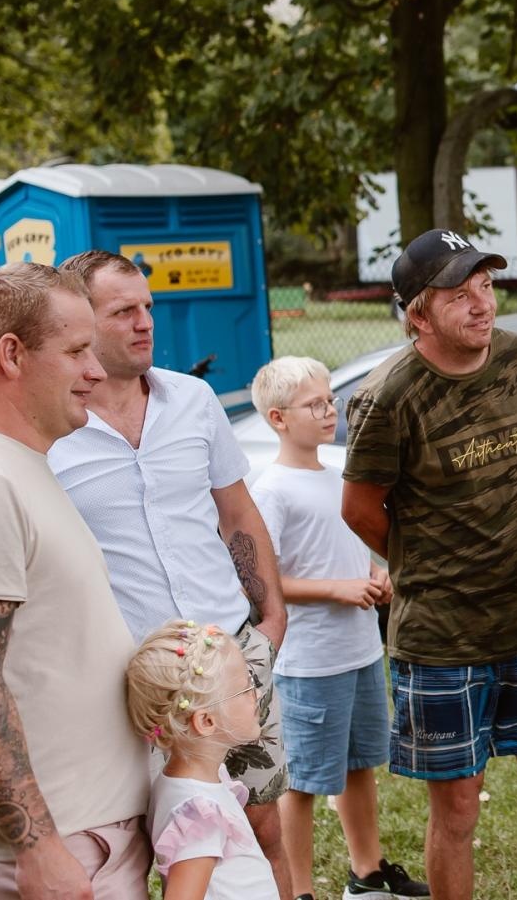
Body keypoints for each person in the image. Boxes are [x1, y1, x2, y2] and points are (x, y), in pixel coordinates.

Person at [341, 229, 517, 900]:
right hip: (442, 638)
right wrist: (422, 559)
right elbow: (360, 508)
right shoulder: (389, 397)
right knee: (457, 808)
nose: (482, 303)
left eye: (485, 285)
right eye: (460, 293)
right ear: (417, 315)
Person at [47, 249, 293, 897]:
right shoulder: (53, 428)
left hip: (231, 654)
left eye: (147, 307)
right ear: (81, 323)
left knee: (265, 821)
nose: (143, 322)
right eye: (122, 310)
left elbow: (237, 513)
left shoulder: (193, 398)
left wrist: (270, 619)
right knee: (163, 828)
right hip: (136, 677)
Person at [0, 262, 151, 900]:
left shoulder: (25, 468)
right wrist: (39, 846)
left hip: (92, 839)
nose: (97, 371)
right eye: (77, 350)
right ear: (12, 355)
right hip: (54, 854)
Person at [247, 357, 428, 900]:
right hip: (309, 663)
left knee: (357, 766)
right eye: (314, 405)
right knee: (301, 783)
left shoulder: (339, 476)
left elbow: (344, 551)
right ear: (278, 419)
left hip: (359, 651)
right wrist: (338, 590)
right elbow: (262, 580)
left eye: (331, 401)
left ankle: (366, 874)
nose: (330, 412)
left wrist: (371, 575)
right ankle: (298, 890)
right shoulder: (271, 489)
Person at [125, 619, 278, 900]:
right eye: (246, 688)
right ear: (206, 721)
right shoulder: (200, 815)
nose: (256, 694)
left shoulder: (185, 783)